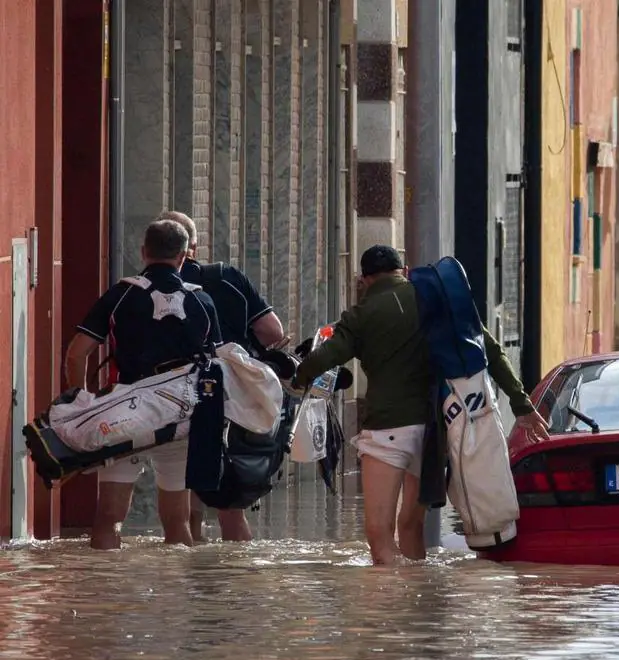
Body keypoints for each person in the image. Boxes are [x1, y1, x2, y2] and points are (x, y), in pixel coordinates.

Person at [291, 245, 550, 566]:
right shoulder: (438, 300)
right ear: (405, 269)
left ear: (364, 280)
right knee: (410, 526)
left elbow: (324, 358)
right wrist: (521, 404)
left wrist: (298, 379)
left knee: (379, 534)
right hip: (435, 433)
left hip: (387, 432)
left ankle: (392, 611)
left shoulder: (360, 316)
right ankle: (418, 600)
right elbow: (491, 351)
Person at [63, 219, 224, 550]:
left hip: (125, 417)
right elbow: (217, 366)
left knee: (109, 519)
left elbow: (77, 355)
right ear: (184, 256)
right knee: (178, 524)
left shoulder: (121, 295)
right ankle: (178, 598)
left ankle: (107, 594)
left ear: (143, 252)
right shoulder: (202, 302)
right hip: (179, 417)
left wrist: (79, 403)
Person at [159, 210, 288, 543]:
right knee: (230, 506)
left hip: (170, 398)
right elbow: (273, 331)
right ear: (194, 247)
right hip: (228, 399)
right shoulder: (225, 277)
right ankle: (233, 583)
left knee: (185, 493)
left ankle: (193, 573)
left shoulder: (151, 286)